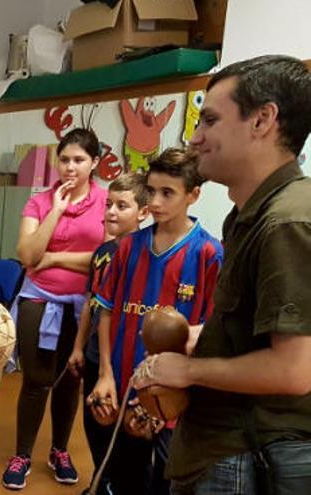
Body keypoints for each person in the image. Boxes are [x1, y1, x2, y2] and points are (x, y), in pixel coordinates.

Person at [133, 55, 311, 494]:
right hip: (220, 445)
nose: (194, 138)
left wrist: (189, 371)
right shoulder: (250, 214)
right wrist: (206, 336)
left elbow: (293, 370)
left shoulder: (287, 221)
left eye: (209, 120)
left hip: (248, 451)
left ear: (263, 120)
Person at [90, 148, 223, 494]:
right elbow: (105, 310)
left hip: (173, 400)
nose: (157, 201)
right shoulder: (127, 247)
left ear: (194, 194)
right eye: (151, 191)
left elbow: (210, 333)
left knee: (168, 482)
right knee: (125, 479)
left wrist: (171, 398)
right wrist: (105, 373)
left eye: (169, 192)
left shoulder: (209, 254)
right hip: (121, 386)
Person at [2, 128, 107, 491]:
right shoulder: (39, 202)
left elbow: (106, 258)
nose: (70, 167)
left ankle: (59, 450)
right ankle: (22, 454)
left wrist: (56, 257)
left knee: (70, 381)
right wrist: (57, 210)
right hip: (38, 299)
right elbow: (28, 256)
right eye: (64, 159)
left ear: (94, 162)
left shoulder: (106, 202)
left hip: (85, 306)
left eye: (79, 160)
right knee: (36, 380)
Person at [67, 173, 149, 494]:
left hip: (125, 360)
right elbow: (91, 303)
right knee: (95, 423)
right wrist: (77, 347)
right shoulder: (102, 252)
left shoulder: (144, 254)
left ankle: (118, 484)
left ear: (142, 212)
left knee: (130, 435)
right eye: (109, 204)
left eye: (122, 206)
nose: (111, 212)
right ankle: (102, 480)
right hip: (92, 354)